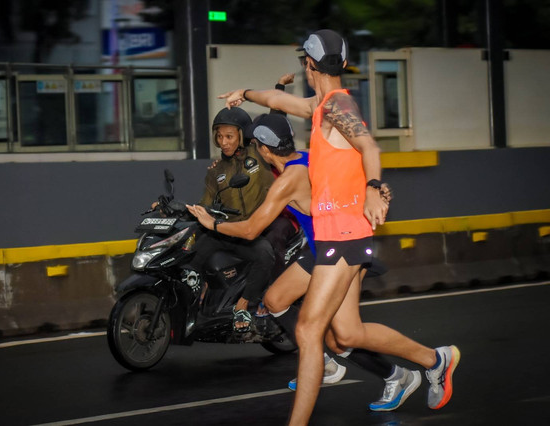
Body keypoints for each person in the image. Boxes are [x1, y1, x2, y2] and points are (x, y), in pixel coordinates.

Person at [218, 29, 459, 424]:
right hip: (340, 235)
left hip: (343, 236)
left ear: (308, 64)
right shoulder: (324, 104)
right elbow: (280, 100)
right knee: (346, 334)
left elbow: (369, 147)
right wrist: (245, 93)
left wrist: (373, 187)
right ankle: (436, 361)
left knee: (310, 331)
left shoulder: (336, 107)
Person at [188, 113, 420, 412]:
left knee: (341, 336)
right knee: (275, 300)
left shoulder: (287, 180)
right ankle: (327, 363)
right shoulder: (307, 159)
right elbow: (345, 177)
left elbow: (250, 230)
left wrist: (211, 224)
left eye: (255, 145)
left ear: (265, 149)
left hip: (336, 250)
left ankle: (401, 373)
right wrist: (373, 189)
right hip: (321, 249)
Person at [193, 106, 292, 333]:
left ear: (242, 135)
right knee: (195, 250)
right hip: (231, 229)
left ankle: (245, 304)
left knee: (265, 253)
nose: (224, 141)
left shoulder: (259, 154)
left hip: (257, 227)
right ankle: (199, 298)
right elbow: (205, 203)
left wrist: (278, 91)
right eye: (220, 136)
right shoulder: (216, 171)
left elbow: (273, 125)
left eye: (229, 136)